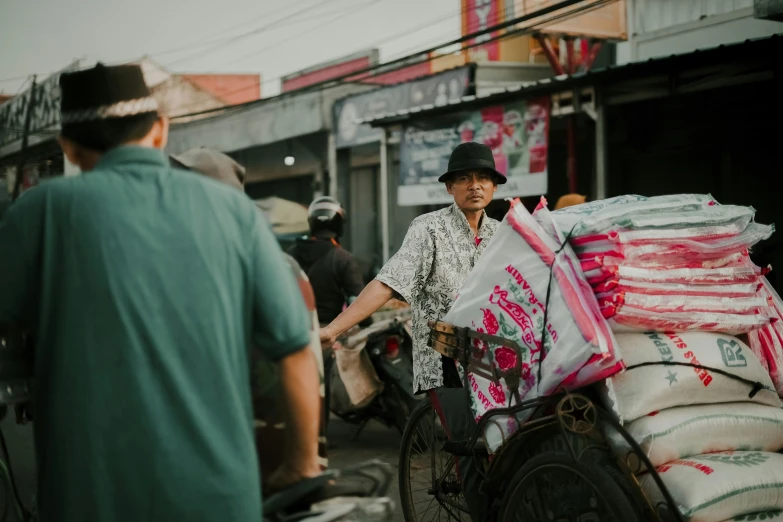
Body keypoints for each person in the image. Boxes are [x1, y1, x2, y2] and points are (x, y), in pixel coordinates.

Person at [0, 64, 320, 522]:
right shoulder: (235, 211)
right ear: (160, 130)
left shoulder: (40, 213)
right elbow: (295, 350)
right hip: (219, 501)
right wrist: (301, 464)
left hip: (87, 500)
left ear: (68, 146)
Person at [320, 141, 504, 520]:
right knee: (469, 449)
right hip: (445, 358)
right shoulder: (428, 229)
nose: (475, 185)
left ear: (494, 187)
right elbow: (388, 283)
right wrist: (335, 328)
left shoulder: (503, 235)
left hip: (494, 358)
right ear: (449, 187)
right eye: (465, 178)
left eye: (483, 178)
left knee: (508, 445)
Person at [171, 147, 329, 477]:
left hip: (245, 446)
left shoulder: (205, 265)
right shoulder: (282, 263)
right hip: (288, 444)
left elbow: (298, 359)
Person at [286, 197, 365, 327]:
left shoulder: (290, 254)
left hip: (293, 329)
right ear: (339, 224)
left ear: (311, 222)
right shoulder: (343, 259)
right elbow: (359, 304)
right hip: (330, 333)